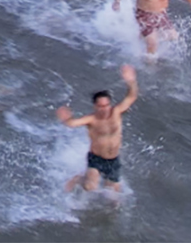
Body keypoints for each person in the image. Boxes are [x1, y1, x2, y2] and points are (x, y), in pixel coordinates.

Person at [58, 65, 138, 193]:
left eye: (106, 105)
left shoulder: (116, 112)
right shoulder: (92, 119)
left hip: (113, 160)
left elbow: (131, 97)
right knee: (90, 187)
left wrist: (131, 81)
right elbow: (72, 123)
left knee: (113, 198)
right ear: (95, 106)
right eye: (100, 106)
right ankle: (79, 179)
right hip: (96, 158)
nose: (104, 109)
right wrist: (65, 119)